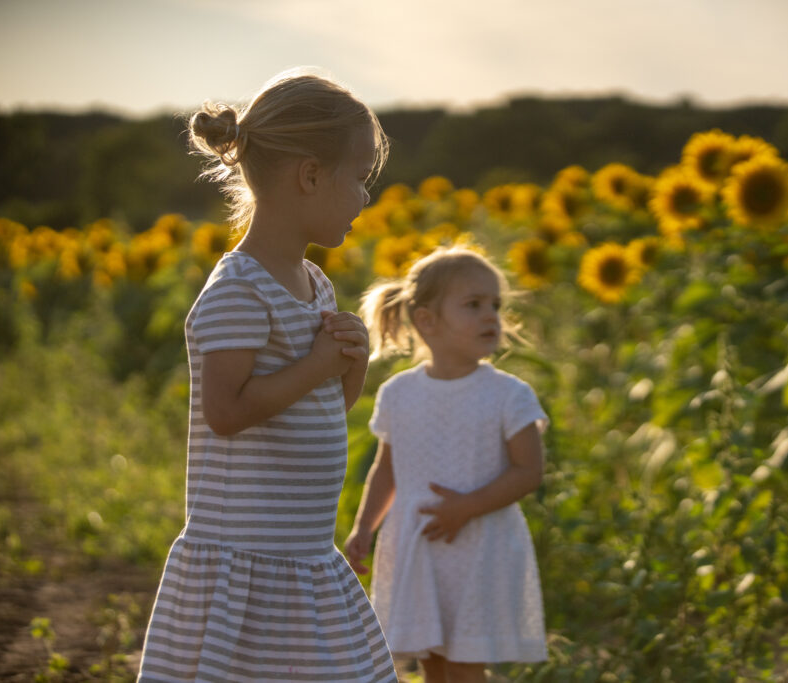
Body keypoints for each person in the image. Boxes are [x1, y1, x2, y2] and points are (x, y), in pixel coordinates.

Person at [137, 68, 397, 682]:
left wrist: (351, 363)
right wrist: (317, 364)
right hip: (248, 558)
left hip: (303, 551)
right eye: (360, 179)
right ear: (310, 176)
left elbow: (323, 405)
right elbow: (226, 412)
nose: (365, 198)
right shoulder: (238, 291)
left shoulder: (315, 285)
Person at [345, 245, 549, 683]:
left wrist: (467, 507)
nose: (490, 316)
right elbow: (387, 469)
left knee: (465, 665)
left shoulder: (509, 394)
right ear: (427, 320)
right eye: (473, 305)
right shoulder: (398, 393)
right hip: (418, 545)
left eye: (495, 305)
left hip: (479, 546)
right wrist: (365, 527)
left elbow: (528, 471)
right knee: (432, 662)